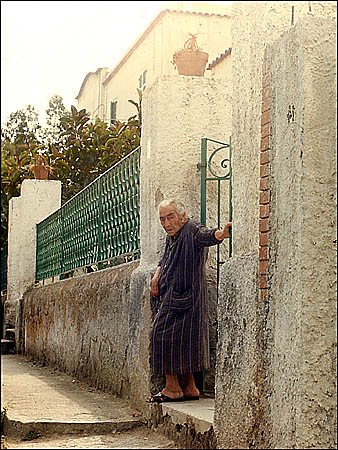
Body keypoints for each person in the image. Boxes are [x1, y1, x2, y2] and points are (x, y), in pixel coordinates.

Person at [148, 199, 232, 403]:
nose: (166, 223)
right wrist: (157, 277)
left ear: (182, 216)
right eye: (162, 219)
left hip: (185, 297)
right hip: (174, 296)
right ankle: (190, 387)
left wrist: (221, 234)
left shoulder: (191, 229)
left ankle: (172, 389)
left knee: (160, 336)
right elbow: (165, 259)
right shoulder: (173, 236)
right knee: (183, 342)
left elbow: (207, 235)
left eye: (171, 217)